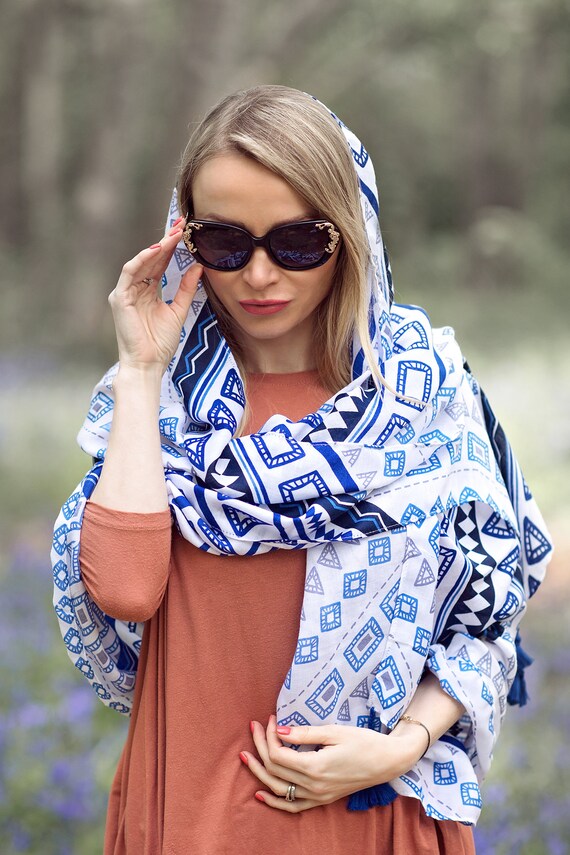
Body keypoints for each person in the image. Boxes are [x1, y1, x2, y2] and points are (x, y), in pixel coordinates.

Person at [51, 85, 552, 854]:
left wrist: (404, 745)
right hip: (189, 818)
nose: (258, 274)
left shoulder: (425, 396)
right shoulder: (158, 405)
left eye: (297, 242)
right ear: (186, 240)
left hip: (373, 817)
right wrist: (142, 368)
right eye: (225, 242)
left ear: (349, 235)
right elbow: (125, 589)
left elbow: (487, 618)